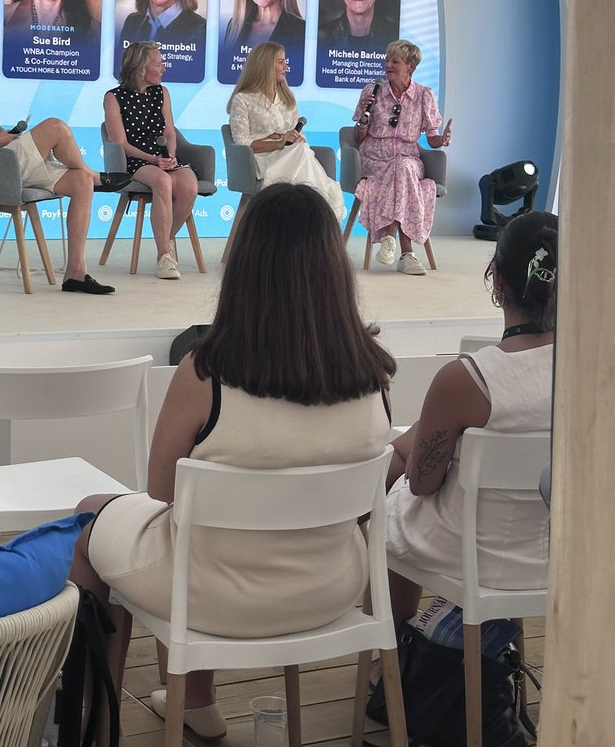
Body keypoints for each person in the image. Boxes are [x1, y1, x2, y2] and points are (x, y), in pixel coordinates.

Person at [70, 184, 395, 736]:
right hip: (331, 591)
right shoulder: (375, 377)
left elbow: (162, 493)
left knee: (90, 515)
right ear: (335, 269)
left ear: (245, 266)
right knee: (213, 532)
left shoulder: (204, 373)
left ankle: (87, 723)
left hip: (211, 597)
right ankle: (194, 702)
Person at [384, 210, 557, 624]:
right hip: (555, 551)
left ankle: (391, 656)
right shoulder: (593, 372)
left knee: (391, 501)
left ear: (496, 279)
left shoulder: (466, 379)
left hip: (474, 553)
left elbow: (423, 484)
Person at [0, 11, 128, 295]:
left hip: (5, 157)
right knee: (56, 126)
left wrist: (8, 135)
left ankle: (75, 274)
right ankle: (97, 175)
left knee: (80, 182)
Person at [352, 39, 452, 276]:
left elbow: (432, 139)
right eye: (387, 60)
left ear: (411, 67)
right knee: (402, 172)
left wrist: (443, 140)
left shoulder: (424, 95)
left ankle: (390, 237)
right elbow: (358, 138)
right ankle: (407, 254)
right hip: (375, 159)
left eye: (394, 61)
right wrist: (365, 118)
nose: (388, 65)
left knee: (404, 167)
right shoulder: (372, 91)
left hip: (408, 159)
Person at [104, 42, 198, 281]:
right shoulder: (114, 97)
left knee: (189, 185)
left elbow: (169, 132)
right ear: (141, 69)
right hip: (136, 160)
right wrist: (153, 160)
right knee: (163, 182)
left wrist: (169, 156)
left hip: (163, 157)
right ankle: (164, 255)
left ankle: (164, 242)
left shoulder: (161, 92)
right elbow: (120, 143)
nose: (163, 67)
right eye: (158, 63)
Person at [228, 42, 345, 220]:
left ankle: (314, 209)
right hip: (260, 161)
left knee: (302, 149)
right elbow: (241, 143)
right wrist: (277, 143)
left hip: (292, 154)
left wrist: (297, 138)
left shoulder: (287, 98)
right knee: (305, 158)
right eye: (281, 62)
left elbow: (299, 136)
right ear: (266, 65)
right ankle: (319, 207)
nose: (286, 67)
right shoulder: (243, 99)